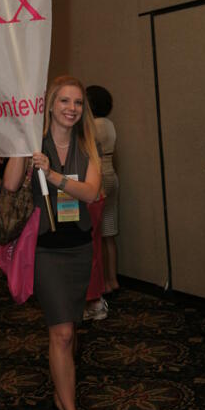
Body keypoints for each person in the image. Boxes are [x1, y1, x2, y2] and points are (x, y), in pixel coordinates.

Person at [3, 75, 101, 410]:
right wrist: (20, 146)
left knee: (71, 329)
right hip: (45, 250)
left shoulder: (89, 144)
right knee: (60, 332)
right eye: (64, 101)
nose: (72, 109)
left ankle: (63, 391)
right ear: (50, 105)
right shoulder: (33, 143)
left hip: (79, 248)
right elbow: (11, 185)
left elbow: (90, 193)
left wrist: (53, 174)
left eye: (77, 103)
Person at [86, 85, 119, 295]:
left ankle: (100, 283)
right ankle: (112, 280)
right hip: (112, 174)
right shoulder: (109, 124)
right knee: (109, 232)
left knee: (95, 232)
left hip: (98, 177)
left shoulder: (93, 126)